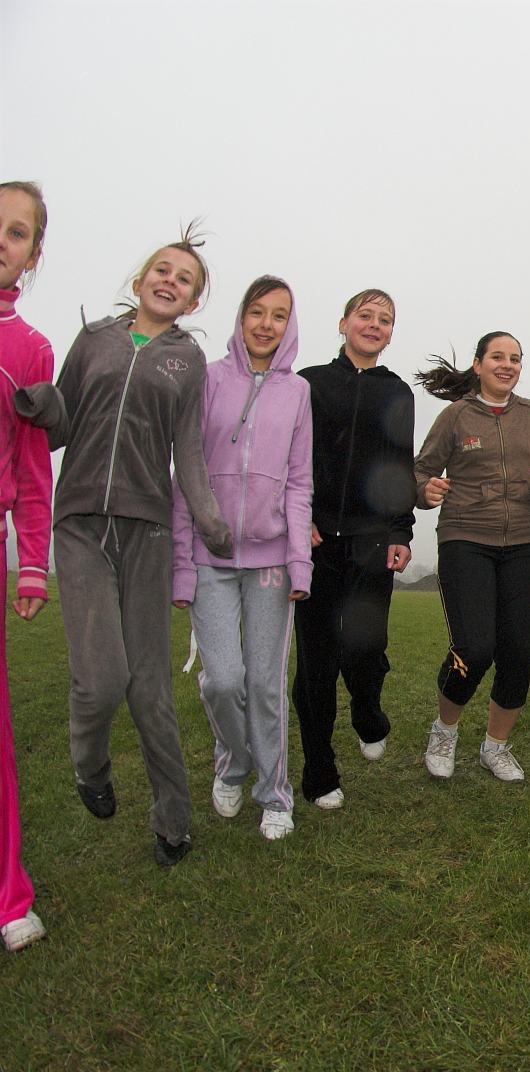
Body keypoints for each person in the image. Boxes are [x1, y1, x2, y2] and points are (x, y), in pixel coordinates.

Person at [32, 225, 234, 867]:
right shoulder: (94, 339)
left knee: (150, 690)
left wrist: (211, 521)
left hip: (148, 530)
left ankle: (173, 821)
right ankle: (90, 767)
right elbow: (60, 426)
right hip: (80, 524)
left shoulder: (187, 360)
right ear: (142, 278)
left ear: (193, 301)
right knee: (100, 682)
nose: (170, 281)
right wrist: (40, 404)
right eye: (163, 270)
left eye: (185, 279)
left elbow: (188, 451)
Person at [172, 276, 311, 841]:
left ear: (289, 325)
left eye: (279, 315)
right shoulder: (208, 379)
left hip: (271, 561)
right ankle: (232, 762)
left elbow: (299, 482)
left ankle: (274, 794)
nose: (266, 324)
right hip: (210, 556)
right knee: (223, 681)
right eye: (257, 312)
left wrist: (299, 561)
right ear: (241, 316)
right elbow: (186, 473)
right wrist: (182, 564)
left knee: (266, 684)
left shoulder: (298, 391)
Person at [413, 332, 530, 783]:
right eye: (498, 356)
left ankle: (495, 747)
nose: (507, 365)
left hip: (521, 542)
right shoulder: (456, 415)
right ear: (478, 365)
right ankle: (444, 731)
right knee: (474, 649)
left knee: (520, 653)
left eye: (515, 358)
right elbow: (421, 470)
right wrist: (424, 490)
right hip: (465, 538)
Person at [292, 289, 415, 810]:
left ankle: (368, 713)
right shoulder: (309, 383)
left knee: (365, 649)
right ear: (344, 323)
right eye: (365, 315)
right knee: (316, 662)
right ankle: (320, 771)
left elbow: (399, 464)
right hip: (315, 542)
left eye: (384, 319)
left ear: (390, 335)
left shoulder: (397, 392)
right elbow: (290, 456)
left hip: (372, 543)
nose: (374, 324)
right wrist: (299, 519)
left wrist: (401, 531)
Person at [0, 181, 53, 945]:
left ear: (33, 255)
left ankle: (9, 898)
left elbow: (35, 471)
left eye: (15, 233)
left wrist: (32, 561)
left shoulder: (31, 350)